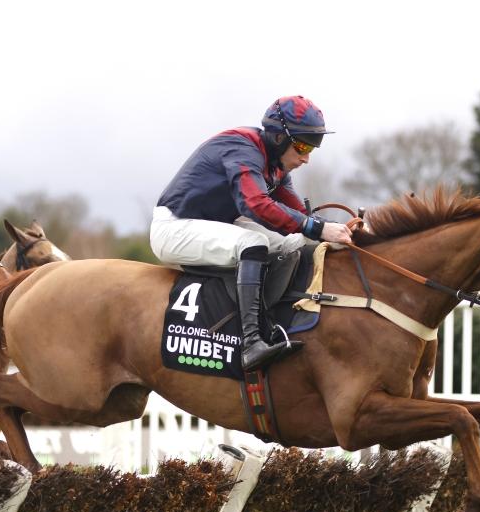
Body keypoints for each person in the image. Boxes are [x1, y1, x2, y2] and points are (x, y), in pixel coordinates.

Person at [151, 95, 354, 371]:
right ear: (279, 138)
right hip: (174, 227)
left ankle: (270, 323)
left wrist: (340, 232)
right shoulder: (242, 148)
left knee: (292, 242)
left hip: (215, 224)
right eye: (302, 146)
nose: (306, 158)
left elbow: (299, 216)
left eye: (312, 148)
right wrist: (318, 228)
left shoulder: (276, 167)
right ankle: (250, 343)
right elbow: (255, 204)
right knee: (253, 242)